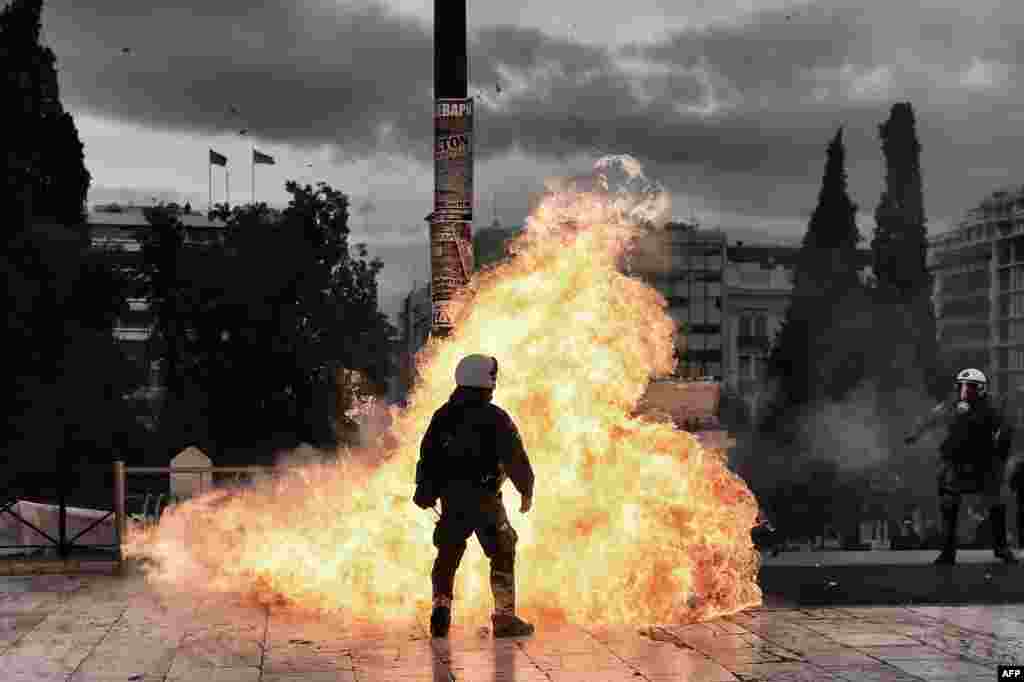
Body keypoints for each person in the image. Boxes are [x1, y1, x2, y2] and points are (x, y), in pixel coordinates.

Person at [414, 354, 536, 638]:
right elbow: (515, 457)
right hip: (485, 500)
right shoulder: (495, 417)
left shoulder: (443, 415)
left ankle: (440, 610)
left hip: (451, 500)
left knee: (448, 554)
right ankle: (504, 617)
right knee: (503, 549)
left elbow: (428, 457)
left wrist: (425, 490)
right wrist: (526, 490)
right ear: (485, 380)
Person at [904, 368, 1016, 565]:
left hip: (984, 461)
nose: (966, 391)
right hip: (957, 459)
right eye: (963, 387)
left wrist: (1000, 456)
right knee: (949, 504)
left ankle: (1001, 548)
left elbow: (1005, 429)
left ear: (981, 389)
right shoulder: (952, 403)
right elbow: (932, 417)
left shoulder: (992, 406)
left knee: (996, 502)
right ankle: (948, 551)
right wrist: (915, 433)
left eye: (971, 387)